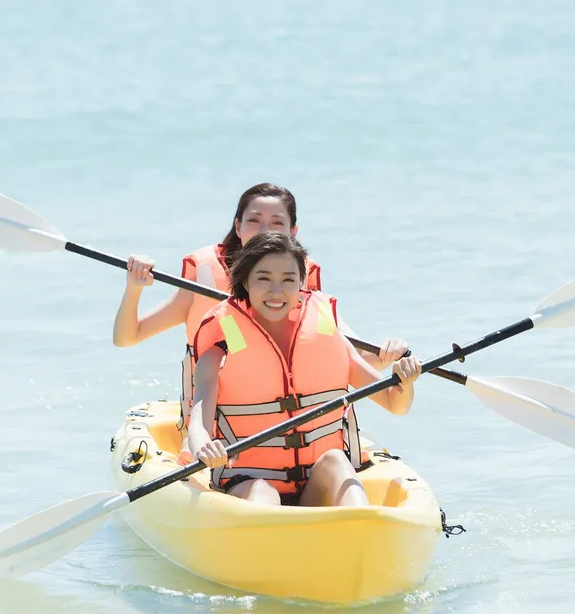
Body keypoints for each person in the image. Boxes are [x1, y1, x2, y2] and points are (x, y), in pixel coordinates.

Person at [112, 183, 408, 434]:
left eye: (277, 223)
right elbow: (128, 337)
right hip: (219, 433)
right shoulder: (204, 278)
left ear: (293, 231)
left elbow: (349, 359)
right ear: (237, 225)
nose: (264, 230)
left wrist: (388, 356)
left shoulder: (302, 286)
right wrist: (134, 287)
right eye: (254, 220)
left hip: (298, 428)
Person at [187, 232, 423, 507]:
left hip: (316, 482)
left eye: (288, 280)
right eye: (263, 278)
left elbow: (395, 403)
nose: (277, 291)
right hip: (248, 481)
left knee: (336, 460)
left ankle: (359, 527)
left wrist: (406, 382)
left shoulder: (326, 336)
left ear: (301, 282)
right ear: (245, 281)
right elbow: (198, 425)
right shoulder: (222, 346)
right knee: (263, 493)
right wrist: (204, 447)